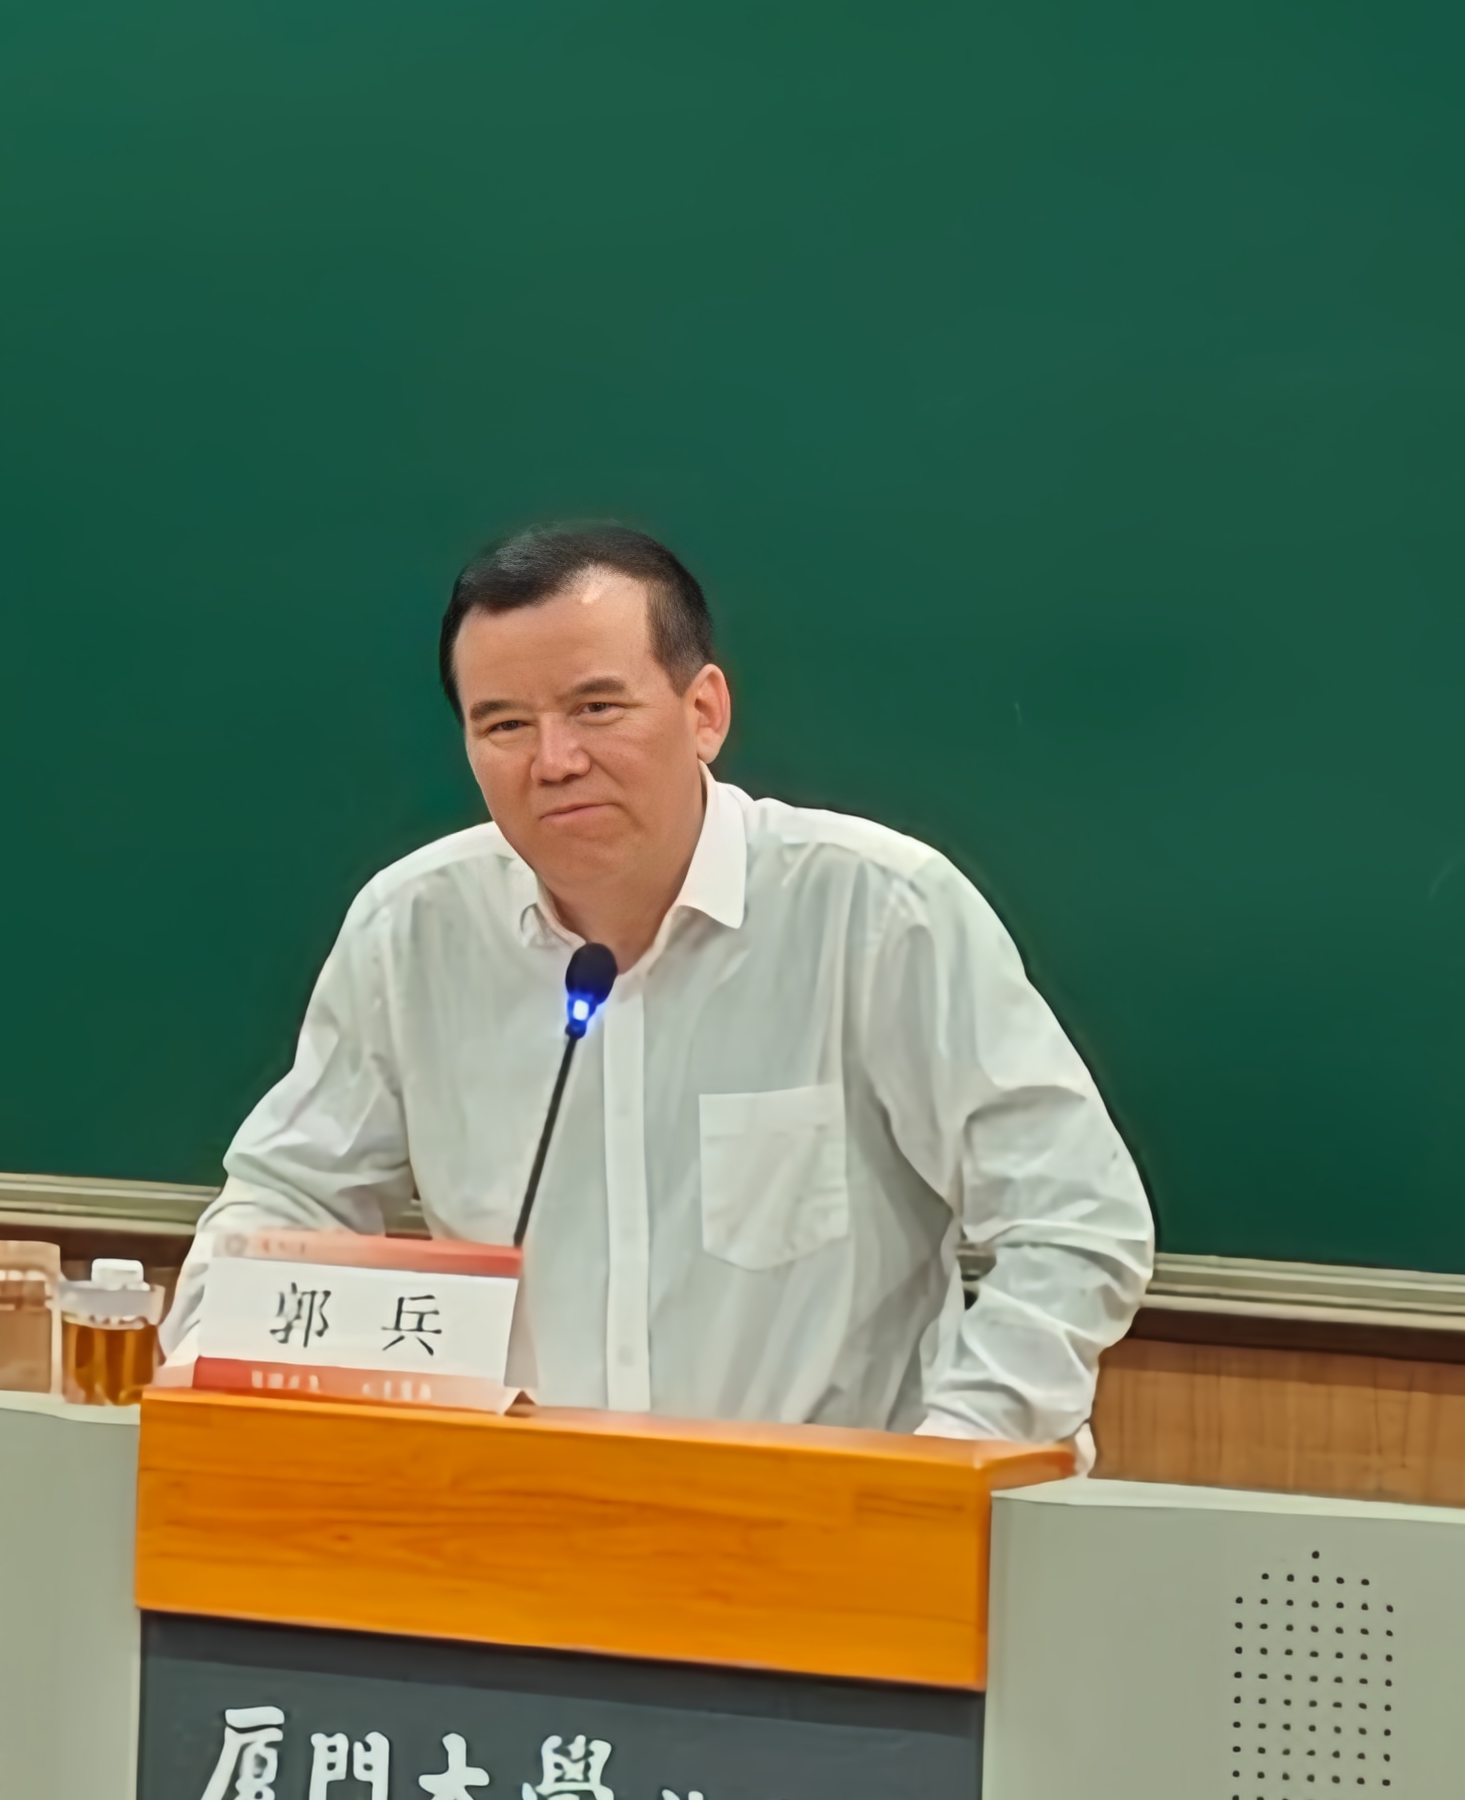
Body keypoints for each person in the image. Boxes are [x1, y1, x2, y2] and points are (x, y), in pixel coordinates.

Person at [162, 522, 1150, 1441]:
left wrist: (945, 1464)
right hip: (510, 1518)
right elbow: (290, 1195)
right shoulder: (412, 928)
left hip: (829, 1526)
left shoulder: (879, 911)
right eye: (503, 725)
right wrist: (209, 1382)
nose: (555, 761)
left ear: (703, 711)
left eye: (596, 708)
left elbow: (1072, 1224)